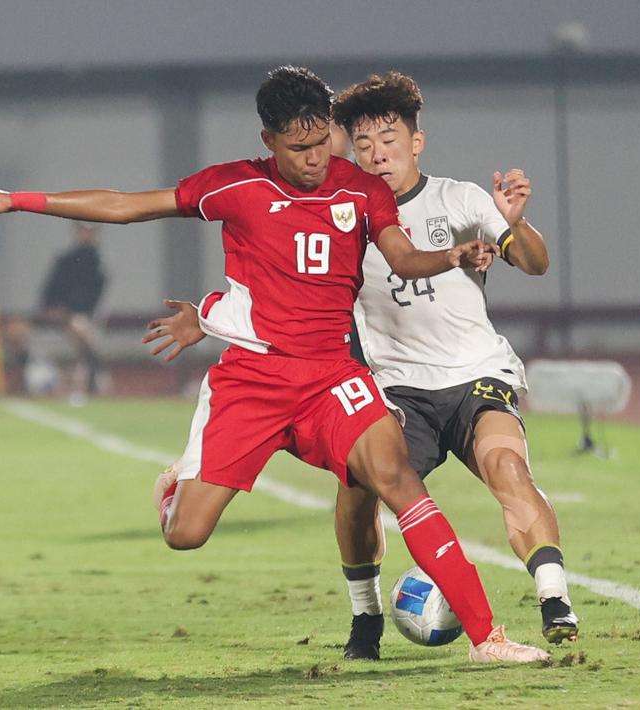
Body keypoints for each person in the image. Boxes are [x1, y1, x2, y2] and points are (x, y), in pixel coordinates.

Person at [0, 65, 547, 664]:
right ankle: (173, 491)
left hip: (331, 377)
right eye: (299, 148)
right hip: (252, 381)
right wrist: (18, 202)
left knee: (399, 483)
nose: (315, 158)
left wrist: (451, 256)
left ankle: (488, 639)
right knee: (187, 535)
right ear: (269, 142)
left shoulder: (362, 191)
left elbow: (403, 258)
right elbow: (128, 204)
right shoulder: (233, 187)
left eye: (322, 143)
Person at [144, 71, 578, 659]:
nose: (377, 154)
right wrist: (209, 314)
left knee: (507, 467)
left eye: (390, 141)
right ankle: (366, 619)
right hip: (395, 383)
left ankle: (552, 603)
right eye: (365, 143)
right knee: (357, 492)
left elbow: (533, 264)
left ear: (416, 142)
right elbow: (281, 283)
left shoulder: (462, 199)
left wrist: (514, 222)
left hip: (473, 373)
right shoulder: (343, 201)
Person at [5, 221, 108, 399]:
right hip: (54, 316)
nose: (86, 235)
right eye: (83, 231)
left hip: (79, 318)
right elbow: (48, 292)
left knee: (79, 326)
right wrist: (50, 309)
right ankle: (24, 374)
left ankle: (92, 376)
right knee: (14, 329)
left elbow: (91, 301)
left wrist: (69, 312)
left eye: (90, 232)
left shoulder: (99, 266)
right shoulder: (64, 261)